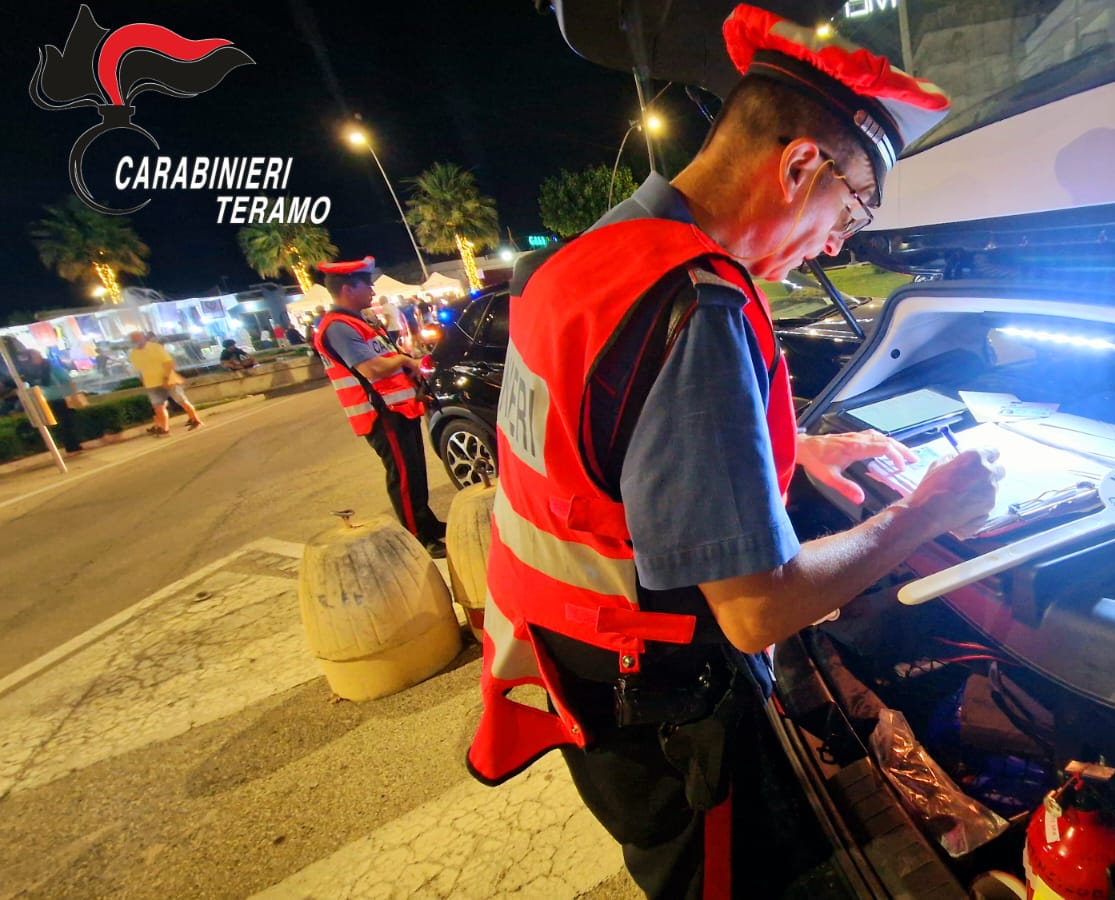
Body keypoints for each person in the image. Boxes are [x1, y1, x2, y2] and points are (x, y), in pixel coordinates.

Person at [467, 7, 1001, 898]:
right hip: (667, 710)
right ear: (800, 165)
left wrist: (786, 456)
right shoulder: (698, 306)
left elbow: (613, 447)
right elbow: (757, 610)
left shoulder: (590, 256)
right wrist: (929, 512)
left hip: (578, 669)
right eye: (855, 205)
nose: (840, 241)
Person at [310, 257, 448, 557]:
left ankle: (427, 524)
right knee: (402, 475)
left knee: (414, 472)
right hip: (380, 413)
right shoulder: (338, 327)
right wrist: (402, 360)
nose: (373, 289)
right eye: (366, 284)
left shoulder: (359, 321)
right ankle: (417, 537)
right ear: (348, 288)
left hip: (399, 408)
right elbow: (372, 369)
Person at [127, 331, 202, 435]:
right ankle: (164, 428)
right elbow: (139, 370)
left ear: (143, 338)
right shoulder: (134, 354)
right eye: (134, 339)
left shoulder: (155, 348)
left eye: (138, 338)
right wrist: (143, 381)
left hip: (167, 380)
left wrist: (166, 378)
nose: (136, 341)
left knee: (182, 401)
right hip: (151, 383)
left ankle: (195, 420)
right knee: (158, 407)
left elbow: (169, 362)